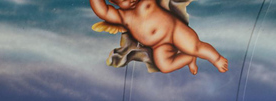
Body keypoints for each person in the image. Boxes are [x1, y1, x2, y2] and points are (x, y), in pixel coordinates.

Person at [90, 0, 228, 74]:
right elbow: (103, 11)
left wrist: (216, 59)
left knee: (195, 47)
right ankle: (189, 57)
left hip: (174, 31)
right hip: (159, 46)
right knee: (164, 66)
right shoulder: (122, 16)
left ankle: (216, 58)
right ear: (115, 2)